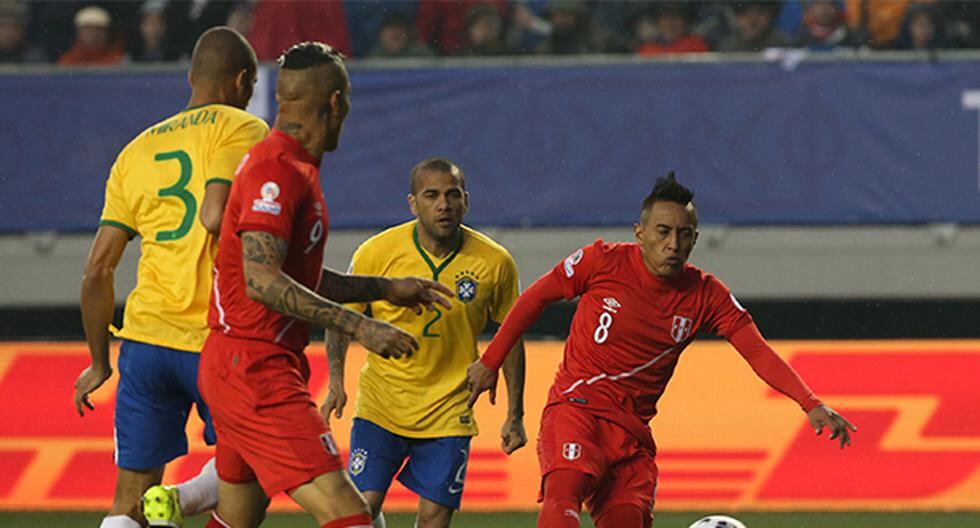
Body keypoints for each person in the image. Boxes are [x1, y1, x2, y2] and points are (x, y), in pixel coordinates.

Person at [467, 173, 857, 527]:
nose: (673, 244)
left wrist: (810, 403)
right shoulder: (601, 261)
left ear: (696, 238)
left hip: (632, 436)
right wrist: (490, 360)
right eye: (663, 232)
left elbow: (757, 351)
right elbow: (533, 299)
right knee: (561, 499)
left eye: (684, 234)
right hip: (577, 410)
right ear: (640, 232)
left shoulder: (706, 295)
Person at [196, 41, 453, 528]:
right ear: (335, 102)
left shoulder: (293, 167)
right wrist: (361, 327)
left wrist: (384, 287)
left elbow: (293, 277)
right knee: (353, 518)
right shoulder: (277, 171)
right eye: (348, 96)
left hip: (239, 364)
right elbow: (262, 280)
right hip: (254, 370)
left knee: (236, 518)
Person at [73, 26, 268, 528]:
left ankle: (157, 509)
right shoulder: (242, 128)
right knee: (255, 475)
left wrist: (98, 362)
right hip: (216, 341)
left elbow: (98, 270)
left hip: (144, 344)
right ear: (243, 81)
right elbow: (218, 214)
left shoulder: (135, 152)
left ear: (191, 78)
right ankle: (182, 500)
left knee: (127, 504)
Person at [324, 158, 527, 528]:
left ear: (466, 200)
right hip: (382, 405)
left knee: (434, 520)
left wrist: (515, 415)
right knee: (360, 510)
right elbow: (340, 319)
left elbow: (510, 334)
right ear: (412, 203)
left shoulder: (495, 263)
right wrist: (336, 380)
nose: (443, 205)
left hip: (450, 409)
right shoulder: (377, 252)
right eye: (431, 195)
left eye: (452, 195)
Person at [58, 5, 124, 65]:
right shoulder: (67, 62)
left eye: (98, 29)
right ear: (78, 32)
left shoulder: (121, 62)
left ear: (107, 32)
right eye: (87, 29)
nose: (93, 34)